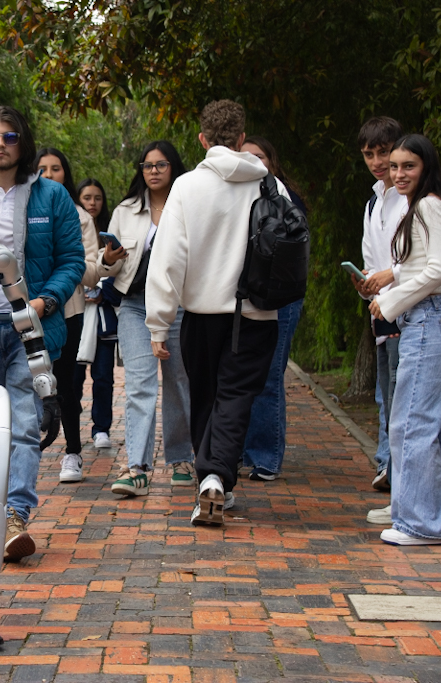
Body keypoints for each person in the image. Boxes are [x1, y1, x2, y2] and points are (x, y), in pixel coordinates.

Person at [0, 105, 84, 560]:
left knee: (25, 425)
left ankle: (15, 516)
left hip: (32, 328)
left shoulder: (52, 197)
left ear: (23, 142)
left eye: (9, 136)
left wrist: (45, 300)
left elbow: (73, 261)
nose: (1, 144)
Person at [146, 99, 283, 526]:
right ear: (242, 139)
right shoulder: (268, 185)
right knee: (236, 398)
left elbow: (168, 258)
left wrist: (158, 322)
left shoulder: (186, 187)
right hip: (256, 314)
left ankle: (211, 478)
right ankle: (216, 479)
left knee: (206, 396)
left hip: (201, 315)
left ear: (203, 139)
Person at [366, 133, 441, 545]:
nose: (399, 173)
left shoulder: (427, 206)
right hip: (426, 319)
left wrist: (391, 302)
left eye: (409, 166)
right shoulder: (421, 207)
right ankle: (438, 519)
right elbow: (422, 265)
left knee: (410, 424)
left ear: (426, 167)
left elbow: (440, 270)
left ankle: (422, 524)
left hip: (430, 320)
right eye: (395, 166)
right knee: (428, 424)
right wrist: (393, 290)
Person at [98, 141, 194, 498]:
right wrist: (109, 257)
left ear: (174, 167)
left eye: (161, 164)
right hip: (135, 306)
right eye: (147, 165)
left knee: (178, 381)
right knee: (140, 384)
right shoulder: (126, 210)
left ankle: (181, 458)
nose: (153, 171)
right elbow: (106, 262)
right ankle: (136, 467)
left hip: (180, 305)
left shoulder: (188, 205)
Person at [239, 136, 308, 481]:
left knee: (268, 375)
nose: (253, 162)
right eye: (245, 156)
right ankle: (240, 450)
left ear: (272, 162)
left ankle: (265, 457)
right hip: (244, 297)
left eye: (259, 157)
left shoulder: (284, 199)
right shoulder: (235, 194)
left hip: (280, 297)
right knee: (241, 376)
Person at [348, 117, 407, 507]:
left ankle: (430, 482)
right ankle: (390, 465)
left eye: (382, 152)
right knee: (388, 396)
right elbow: (374, 258)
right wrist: (366, 281)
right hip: (382, 310)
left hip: (411, 308)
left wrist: (388, 279)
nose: (376, 161)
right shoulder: (374, 200)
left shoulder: (412, 197)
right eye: (369, 154)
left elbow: (422, 260)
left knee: (409, 400)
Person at [35, 148, 102, 483]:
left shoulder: (80, 216)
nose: (48, 175)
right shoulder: (22, 209)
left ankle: (72, 451)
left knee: (68, 384)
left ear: (66, 174)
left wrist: (102, 263)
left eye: (56, 168)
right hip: (26, 308)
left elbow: (88, 272)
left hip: (68, 309)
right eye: (42, 168)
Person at [75, 179, 117, 450]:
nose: (92, 203)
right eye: (87, 197)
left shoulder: (112, 233)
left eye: (97, 198)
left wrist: (105, 291)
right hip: (77, 313)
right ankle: (69, 424)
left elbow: (122, 269)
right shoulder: (70, 227)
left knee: (103, 375)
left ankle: (101, 428)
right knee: (73, 376)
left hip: (104, 316)